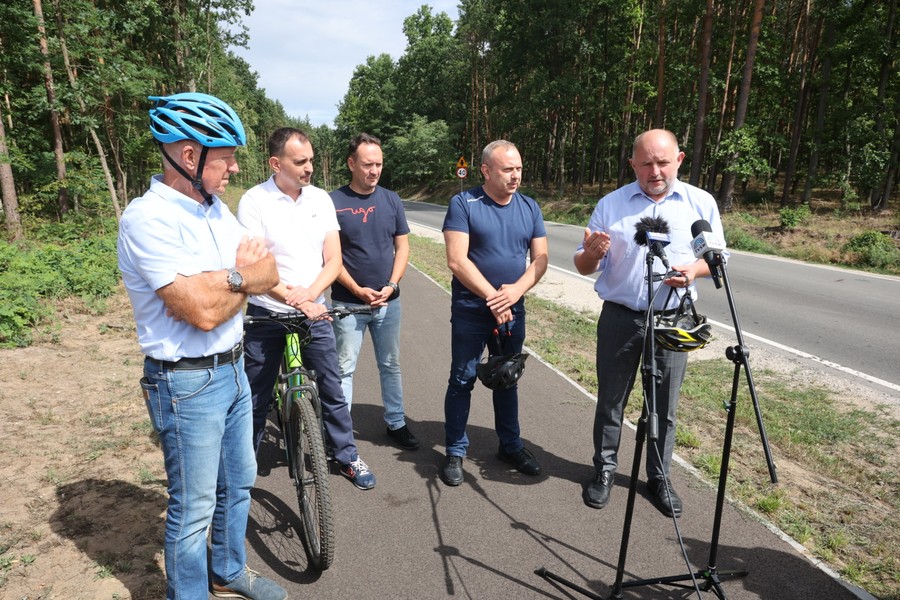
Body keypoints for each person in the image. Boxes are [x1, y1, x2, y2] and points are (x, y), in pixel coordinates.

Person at [118, 92, 287, 600]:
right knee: (193, 509)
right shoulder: (147, 219)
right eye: (227, 157)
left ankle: (227, 571)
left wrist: (228, 280)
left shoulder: (216, 210)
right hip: (186, 383)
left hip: (234, 369)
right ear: (189, 156)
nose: (235, 168)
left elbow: (269, 271)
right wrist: (241, 276)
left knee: (238, 483)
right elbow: (202, 311)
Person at [573, 128, 726, 518]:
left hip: (673, 322)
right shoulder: (611, 204)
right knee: (611, 402)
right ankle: (604, 471)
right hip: (620, 319)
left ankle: (659, 477)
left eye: (663, 162)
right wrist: (591, 253)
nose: (655, 171)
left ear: (680, 159)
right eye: (646, 164)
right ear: (632, 164)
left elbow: (716, 258)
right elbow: (584, 265)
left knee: (664, 407)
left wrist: (693, 271)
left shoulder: (700, 203)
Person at [238, 127, 376, 490]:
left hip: (314, 310)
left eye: (311, 160)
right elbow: (254, 267)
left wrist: (311, 297)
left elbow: (334, 260)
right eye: (300, 161)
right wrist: (295, 298)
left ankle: (346, 455)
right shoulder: (254, 201)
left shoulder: (320, 200)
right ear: (275, 163)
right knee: (255, 394)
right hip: (267, 311)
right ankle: (243, 467)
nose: (309, 167)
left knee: (331, 387)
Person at [439, 140, 549, 486]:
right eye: (507, 169)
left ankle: (510, 445)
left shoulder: (529, 207)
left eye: (519, 169)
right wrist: (494, 297)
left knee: (507, 377)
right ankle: (455, 450)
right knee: (462, 379)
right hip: (472, 309)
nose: (515, 176)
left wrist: (515, 292)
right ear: (486, 171)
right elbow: (457, 260)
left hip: (513, 310)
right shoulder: (463, 204)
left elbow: (541, 259)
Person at [330, 133, 419, 450]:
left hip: (388, 303)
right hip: (348, 304)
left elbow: (402, 246)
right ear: (351, 163)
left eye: (379, 164)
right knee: (344, 369)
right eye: (368, 164)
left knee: (391, 365)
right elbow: (331, 257)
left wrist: (392, 285)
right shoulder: (333, 202)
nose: (374, 170)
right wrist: (356, 289)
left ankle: (396, 423)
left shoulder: (391, 200)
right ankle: (340, 434)